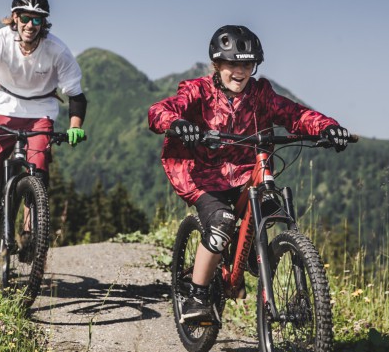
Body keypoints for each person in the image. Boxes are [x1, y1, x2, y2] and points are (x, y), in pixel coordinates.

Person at [148, 25, 350, 324]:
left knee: (273, 205)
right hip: (203, 175)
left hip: (246, 172)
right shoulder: (198, 91)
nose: (240, 71)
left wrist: (327, 127)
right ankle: (198, 293)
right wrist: (177, 123)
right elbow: (159, 111)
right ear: (217, 65)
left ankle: (261, 261)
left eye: (247, 64)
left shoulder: (261, 95)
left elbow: (297, 115)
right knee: (221, 223)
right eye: (232, 64)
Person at [0, 0, 87, 252]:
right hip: (3, 105)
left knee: (39, 163)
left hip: (40, 110)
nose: (30, 25)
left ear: (44, 23)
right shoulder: (0, 40)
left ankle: (30, 227)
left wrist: (75, 127)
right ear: (15, 17)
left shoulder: (57, 50)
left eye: (37, 20)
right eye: (25, 18)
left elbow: (76, 95)